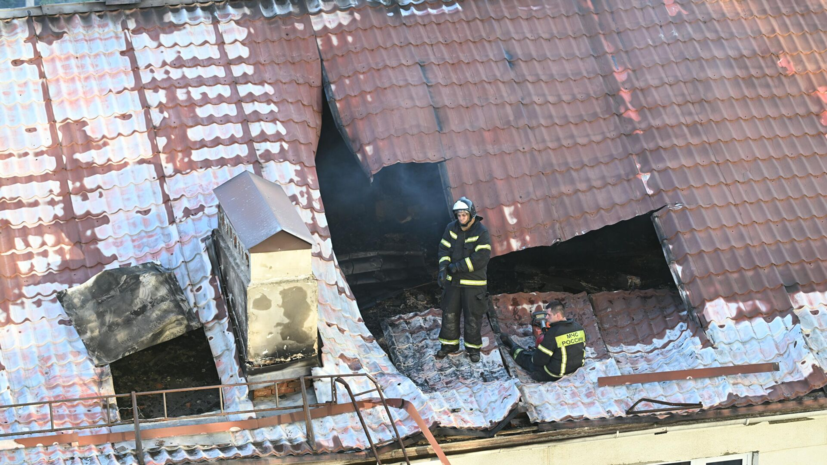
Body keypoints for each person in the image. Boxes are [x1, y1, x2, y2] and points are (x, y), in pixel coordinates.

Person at [436, 197, 492, 363]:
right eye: (458, 215)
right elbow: (443, 250)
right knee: (449, 314)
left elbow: (481, 258)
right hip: (453, 283)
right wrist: (442, 269)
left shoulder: (481, 231)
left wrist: (457, 267)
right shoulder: (451, 228)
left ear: (471, 214)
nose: (460, 218)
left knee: (473, 317)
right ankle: (449, 345)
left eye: (463, 215)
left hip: (474, 284)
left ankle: (473, 348)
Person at [501, 300, 586, 381]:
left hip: (555, 373)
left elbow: (539, 360)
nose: (546, 317)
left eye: (549, 315)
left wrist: (536, 354)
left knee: (527, 358)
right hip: (576, 367)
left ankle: (513, 347)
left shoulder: (553, 333)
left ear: (558, 315)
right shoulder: (578, 327)